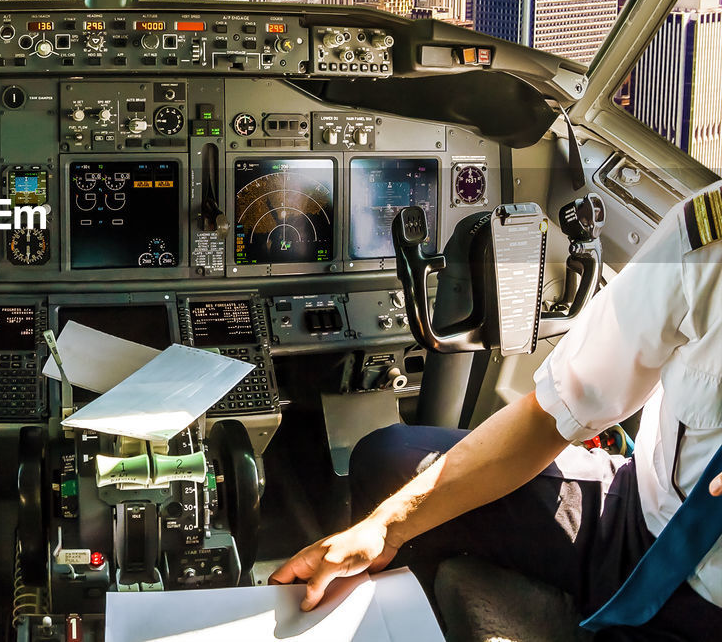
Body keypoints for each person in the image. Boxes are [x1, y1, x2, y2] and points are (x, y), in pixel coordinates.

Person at [270, 182, 722, 640]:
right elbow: (553, 413)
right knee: (391, 459)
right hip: (638, 518)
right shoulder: (706, 241)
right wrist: (384, 529)